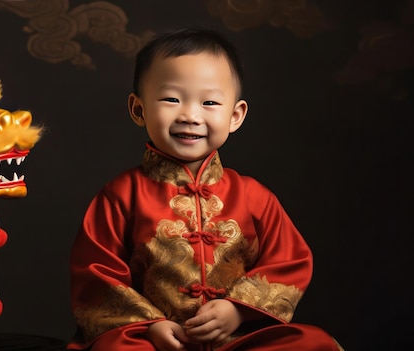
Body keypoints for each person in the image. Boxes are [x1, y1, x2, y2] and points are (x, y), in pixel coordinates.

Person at [67, 27, 343, 351]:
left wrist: (237, 309)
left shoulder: (254, 196)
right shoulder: (120, 195)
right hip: (153, 341)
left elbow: (289, 260)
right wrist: (150, 325)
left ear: (236, 116)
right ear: (138, 109)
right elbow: (96, 274)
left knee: (313, 343)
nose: (190, 115)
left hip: (235, 340)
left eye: (210, 102)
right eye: (172, 99)